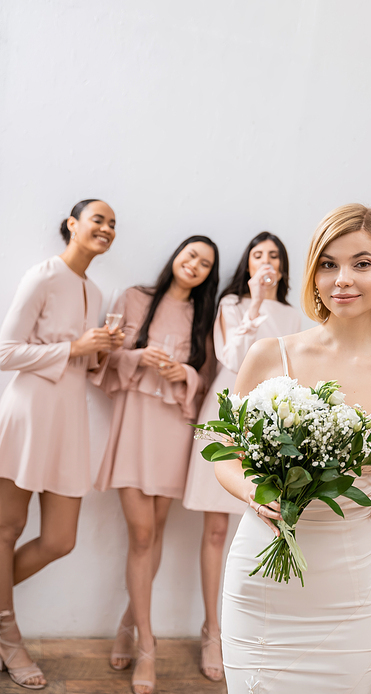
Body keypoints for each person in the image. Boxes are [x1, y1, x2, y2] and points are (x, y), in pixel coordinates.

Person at [214, 205, 371, 693]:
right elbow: (224, 455)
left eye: (361, 263)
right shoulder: (270, 354)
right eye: (327, 264)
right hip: (260, 589)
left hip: (350, 600)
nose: (342, 280)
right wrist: (253, 488)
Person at [0, 200, 121, 690]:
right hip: (28, 417)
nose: (107, 228)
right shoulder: (43, 276)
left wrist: (101, 353)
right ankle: (9, 638)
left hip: (68, 423)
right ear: (72, 224)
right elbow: (5, 351)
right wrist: (75, 347)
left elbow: (85, 368)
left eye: (114, 224)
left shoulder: (95, 291)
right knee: (5, 530)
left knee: (59, 540)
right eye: (98, 219)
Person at [93, 236, 219, 694]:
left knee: (157, 531)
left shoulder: (203, 317)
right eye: (191, 256)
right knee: (141, 535)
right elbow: (102, 357)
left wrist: (179, 373)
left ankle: (129, 619)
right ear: (176, 257)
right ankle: (148, 642)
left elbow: (205, 380)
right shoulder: (134, 298)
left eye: (205, 264)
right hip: (134, 428)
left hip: (172, 433)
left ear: (209, 274)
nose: (195, 266)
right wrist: (136, 357)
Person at [183, 232, 301, 681]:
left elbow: (295, 373)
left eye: (274, 256)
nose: (266, 262)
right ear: (248, 266)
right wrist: (254, 303)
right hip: (226, 411)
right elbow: (231, 357)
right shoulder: (232, 306)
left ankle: (253, 633)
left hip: (271, 420)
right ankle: (212, 631)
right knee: (216, 527)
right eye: (258, 255)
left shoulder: (293, 316)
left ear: (284, 269)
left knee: (263, 522)